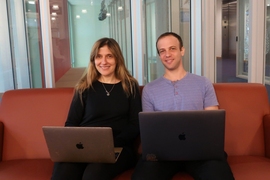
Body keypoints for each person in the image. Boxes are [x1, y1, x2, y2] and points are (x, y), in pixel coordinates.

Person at [131, 32, 234, 180]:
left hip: (201, 153)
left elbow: (212, 125)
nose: (167, 54)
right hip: (162, 155)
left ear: (182, 50)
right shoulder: (149, 89)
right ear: (159, 55)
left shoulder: (203, 83)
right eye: (162, 51)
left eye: (172, 48)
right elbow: (149, 131)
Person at [51, 37, 142, 180]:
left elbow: (135, 124)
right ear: (93, 60)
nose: (103, 61)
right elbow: (71, 123)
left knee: (93, 174)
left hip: (118, 147)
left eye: (109, 56)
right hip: (83, 147)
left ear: (117, 59)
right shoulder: (84, 87)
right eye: (98, 56)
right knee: (63, 173)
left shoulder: (130, 86)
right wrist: (78, 145)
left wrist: (110, 143)